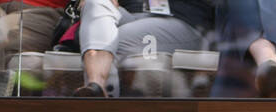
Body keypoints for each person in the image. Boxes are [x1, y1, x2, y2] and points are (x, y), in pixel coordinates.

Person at [71, 0, 214, 97]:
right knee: (96, 2)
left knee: (113, 41)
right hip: (129, 14)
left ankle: (103, 111)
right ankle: (96, 84)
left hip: (181, 21)